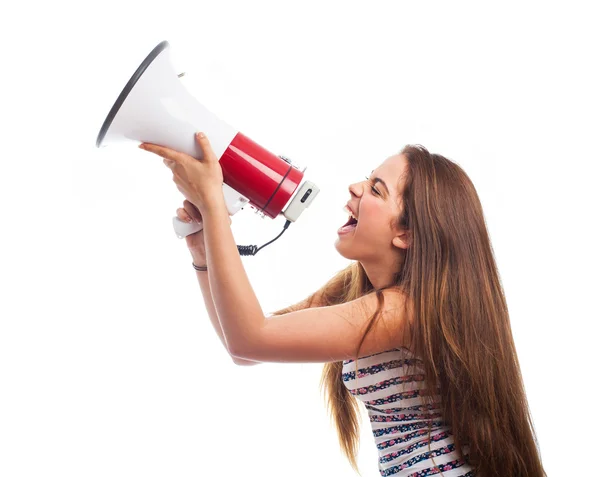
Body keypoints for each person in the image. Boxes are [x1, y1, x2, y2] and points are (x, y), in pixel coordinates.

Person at [139, 132, 547, 477]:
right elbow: (243, 342)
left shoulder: (403, 312)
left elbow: (250, 337)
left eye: (376, 190)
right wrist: (203, 252)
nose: (355, 188)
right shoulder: (360, 296)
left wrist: (213, 204)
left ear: (405, 234)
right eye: (368, 179)